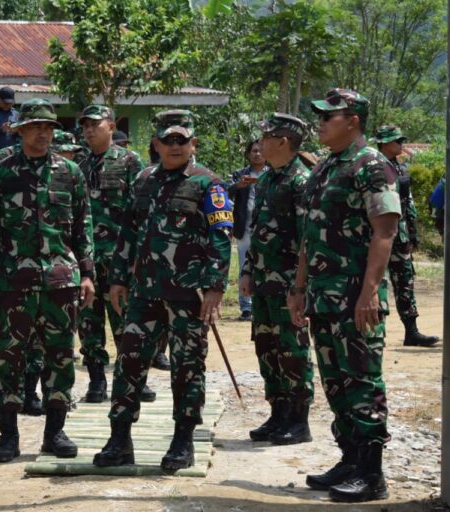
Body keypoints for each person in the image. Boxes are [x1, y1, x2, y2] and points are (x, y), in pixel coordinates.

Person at [93, 110, 233, 472]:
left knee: (187, 367)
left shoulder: (208, 183)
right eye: (168, 140)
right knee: (129, 362)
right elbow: (128, 232)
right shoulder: (143, 180)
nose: (175, 146)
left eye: (181, 140)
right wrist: (118, 278)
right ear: (155, 144)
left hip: (188, 296)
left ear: (193, 144)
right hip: (144, 292)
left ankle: (182, 441)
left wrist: (215, 286)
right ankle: (119, 439)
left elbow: (221, 238)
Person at [288, 89, 399, 503]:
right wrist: (299, 287)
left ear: (352, 121)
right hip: (323, 296)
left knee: (362, 381)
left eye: (328, 117)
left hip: (355, 297)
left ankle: (371, 473)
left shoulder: (372, 165)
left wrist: (369, 293)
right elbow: (309, 234)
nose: (320, 123)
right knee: (335, 382)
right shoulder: (325, 167)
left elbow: (385, 230)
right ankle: (350, 459)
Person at [0, 98, 96, 463]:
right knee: (7, 358)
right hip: (13, 283)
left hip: (61, 282)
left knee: (60, 356)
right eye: (35, 127)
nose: (43, 133)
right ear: (20, 130)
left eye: (48, 127)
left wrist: (88, 274)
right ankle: (8, 436)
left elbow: (83, 226)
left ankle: (54, 432)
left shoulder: (70, 172)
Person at [76, 104, 160, 404]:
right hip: (88, 259)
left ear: (111, 126)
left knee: (127, 322)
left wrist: (138, 257)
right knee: (89, 323)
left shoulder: (129, 162)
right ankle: (97, 379)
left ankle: (133, 379)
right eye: (85, 125)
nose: (89, 130)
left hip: (120, 259)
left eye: (95, 124)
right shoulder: (79, 167)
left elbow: (142, 212)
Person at [240, 113, 314, 446]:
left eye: (266, 137)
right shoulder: (268, 179)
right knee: (267, 347)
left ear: (283, 141)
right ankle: (278, 412)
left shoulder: (302, 181)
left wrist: (300, 287)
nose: (260, 143)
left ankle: (298, 420)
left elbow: (306, 239)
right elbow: (257, 231)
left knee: (292, 349)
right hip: (263, 281)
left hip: (287, 284)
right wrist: (247, 270)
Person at [373, 125, 439, 347]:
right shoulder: (373, 167)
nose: (401, 144)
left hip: (399, 235)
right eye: (397, 141)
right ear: (384, 143)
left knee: (405, 282)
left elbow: (407, 202)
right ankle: (373, 333)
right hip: (376, 236)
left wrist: (412, 232)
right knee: (375, 282)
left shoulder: (400, 169)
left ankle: (411, 331)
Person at [228, 141, 269, 321]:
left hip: (267, 228)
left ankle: (263, 302)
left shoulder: (272, 173)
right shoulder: (240, 174)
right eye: (254, 151)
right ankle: (246, 307)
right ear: (248, 154)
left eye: (260, 151)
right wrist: (238, 185)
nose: (257, 154)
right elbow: (225, 191)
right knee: (244, 265)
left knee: (266, 265)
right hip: (244, 227)